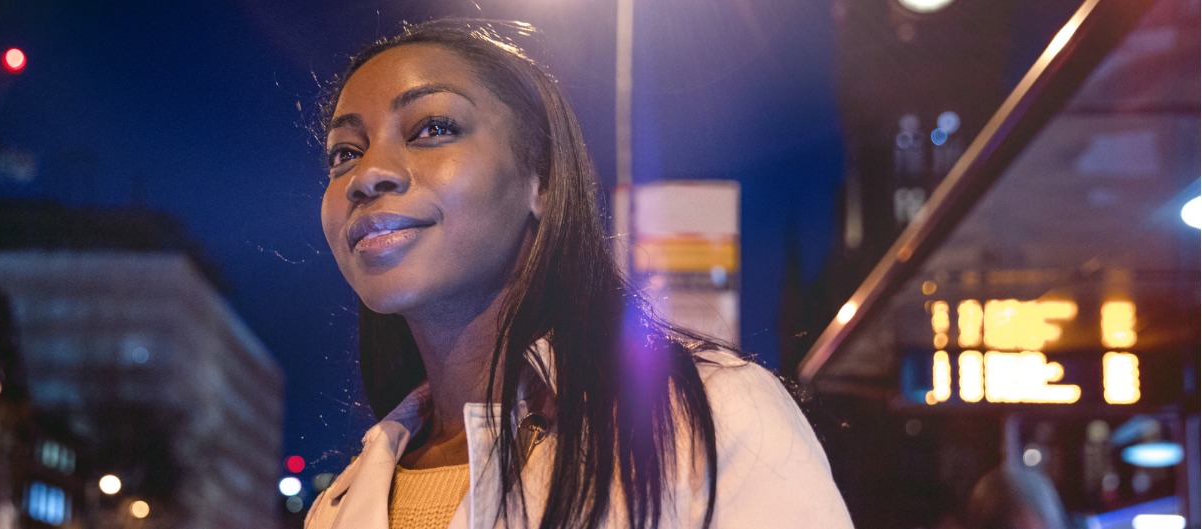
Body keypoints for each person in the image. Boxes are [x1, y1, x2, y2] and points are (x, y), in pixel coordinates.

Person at [305, 20, 853, 529]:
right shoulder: (335, 507)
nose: (367, 174)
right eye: (344, 153)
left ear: (540, 178)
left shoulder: (714, 416)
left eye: (432, 128)